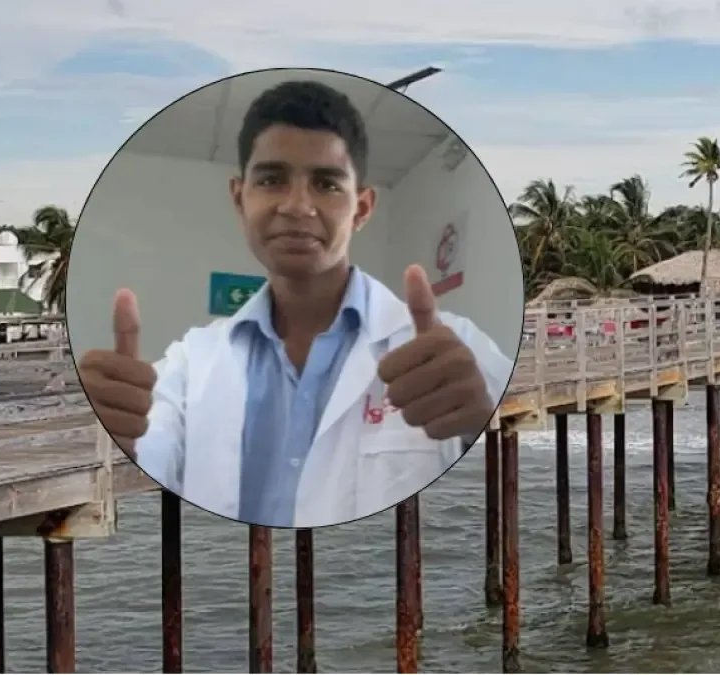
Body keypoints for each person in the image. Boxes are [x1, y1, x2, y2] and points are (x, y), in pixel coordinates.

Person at [76, 80, 515, 528]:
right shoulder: (189, 365)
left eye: (326, 183)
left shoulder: (457, 352)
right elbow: (148, 457)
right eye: (271, 179)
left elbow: (515, 484)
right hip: (230, 591)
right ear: (239, 198)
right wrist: (108, 438)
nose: (297, 206)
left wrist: (482, 425)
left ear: (361, 209)